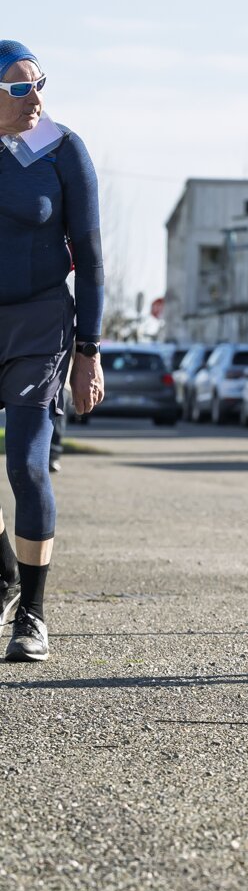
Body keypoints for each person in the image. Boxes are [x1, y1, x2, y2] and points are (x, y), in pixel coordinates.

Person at [0, 40, 105, 663]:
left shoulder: (61, 149)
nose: (34, 98)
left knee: (27, 465)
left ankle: (32, 614)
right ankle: (4, 573)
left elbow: (89, 260)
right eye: (19, 88)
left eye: (39, 84)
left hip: (40, 325)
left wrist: (88, 350)